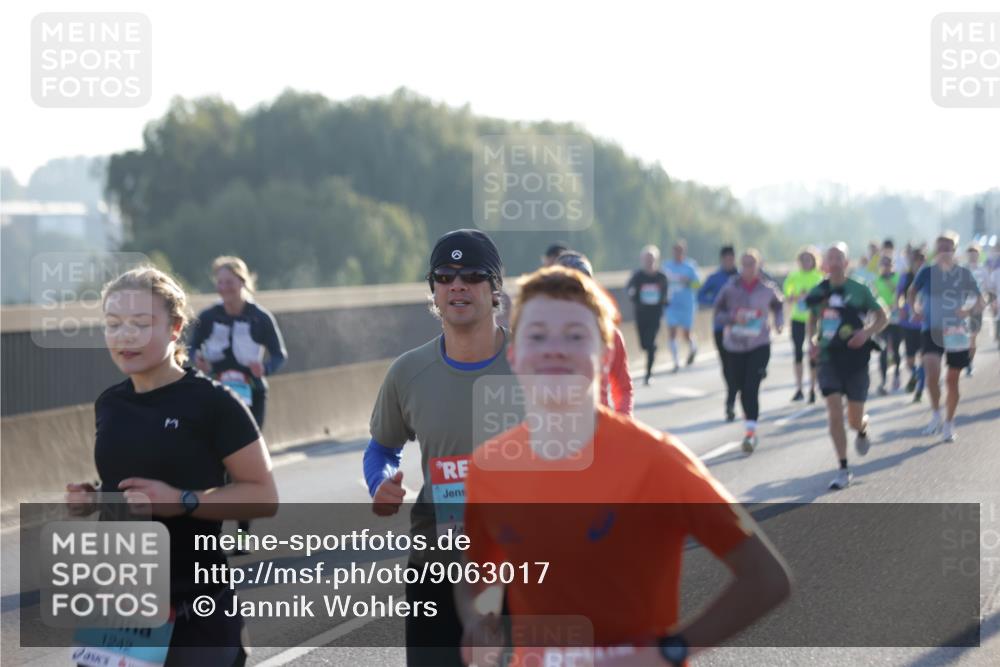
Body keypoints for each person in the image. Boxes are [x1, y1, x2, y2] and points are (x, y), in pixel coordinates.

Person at [458, 266, 791, 667]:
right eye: (537, 335)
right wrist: (480, 618)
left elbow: (767, 578)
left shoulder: (658, 460)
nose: (554, 348)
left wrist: (672, 649)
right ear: (514, 354)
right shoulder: (489, 467)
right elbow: (477, 577)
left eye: (575, 336)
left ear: (607, 354)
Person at [67, 266, 278, 666]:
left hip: (195, 603)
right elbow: (131, 482)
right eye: (113, 324)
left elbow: (264, 496)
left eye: (140, 323)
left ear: (175, 327)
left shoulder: (213, 403)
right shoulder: (110, 404)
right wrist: (95, 498)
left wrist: (182, 501)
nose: (124, 335)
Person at [364, 229, 511, 667]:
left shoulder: (536, 365)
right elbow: (381, 448)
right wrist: (379, 482)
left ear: (495, 287)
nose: (457, 285)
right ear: (433, 289)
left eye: (472, 275)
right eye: (445, 276)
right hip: (438, 559)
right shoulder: (408, 372)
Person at [188, 256, 287, 551]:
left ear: (243, 283)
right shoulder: (208, 317)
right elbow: (192, 346)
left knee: (244, 468)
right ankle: (212, 535)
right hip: (216, 394)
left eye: (229, 283)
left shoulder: (260, 317)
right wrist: (197, 358)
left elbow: (279, 354)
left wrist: (264, 369)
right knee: (214, 464)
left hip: (252, 395)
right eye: (219, 283)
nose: (224, 289)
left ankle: (242, 537)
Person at [807, 243, 888, 490]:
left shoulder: (860, 289)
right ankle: (843, 468)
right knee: (833, 410)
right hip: (829, 357)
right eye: (829, 257)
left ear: (846, 262)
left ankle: (862, 428)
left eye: (838, 257)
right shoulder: (818, 291)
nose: (833, 261)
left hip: (856, 358)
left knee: (853, 419)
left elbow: (883, 316)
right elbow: (812, 318)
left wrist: (866, 333)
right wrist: (811, 341)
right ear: (825, 263)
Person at [907, 232, 985, 443]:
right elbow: (912, 292)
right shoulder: (927, 272)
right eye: (940, 246)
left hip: (956, 332)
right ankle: (935, 414)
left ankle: (949, 423)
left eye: (948, 246)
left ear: (955, 249)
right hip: (931, 329)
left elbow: (980, 301)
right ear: (936, 249)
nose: (944, 250)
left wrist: (967, 312)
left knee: (952, 381)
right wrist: (914, 307)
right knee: (932, 373)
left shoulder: (963, 274)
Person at [713, 250, 784, 453]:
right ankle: (749, 427)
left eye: (752, 264)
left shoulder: (767, 289)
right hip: (734, 345)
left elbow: (779, 306)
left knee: (752, 388)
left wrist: (779, 323)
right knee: (741, 388)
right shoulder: (730, 288)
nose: (748, 268)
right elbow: (717, 314)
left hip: (759, 344)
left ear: (759, 265)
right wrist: (734, 317)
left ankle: (750, 433)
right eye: (744, 264)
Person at [557, 251, 633, 415]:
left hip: (600, 433)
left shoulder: (610, 335)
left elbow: (623, 388)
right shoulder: (536, 338)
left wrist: (623, 424)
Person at [698, 245, 739, 418]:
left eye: (731, 258)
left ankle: (730, 401)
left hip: (740, 329)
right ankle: (732, 393)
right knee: (726, 364)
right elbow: (700, 296)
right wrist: (715, 301)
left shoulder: (741, 276)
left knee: (737, 364)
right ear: (722, 260)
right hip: (720, 328)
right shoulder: (715, 278)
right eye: (726, 259)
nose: (729, 261)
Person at [782, 246, 824, 403]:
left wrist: (811, 297)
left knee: (813, 352)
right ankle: (799, 388)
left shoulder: (818, 277)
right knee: (798, 353)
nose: (806, 262)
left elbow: (823, 296)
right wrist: (793, 296)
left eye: (809, 259)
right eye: (803, 259)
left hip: (813, 319)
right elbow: (787, 294)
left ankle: (813, 387)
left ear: (814, 261)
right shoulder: (794, 276)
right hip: (797, 319)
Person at [627, 245, 669, 386]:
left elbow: (666, 293)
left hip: (655, 314)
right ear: (642, 260)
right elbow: (630, 290)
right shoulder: (637, 276)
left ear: (656, 260)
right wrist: (633, 294)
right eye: (646, 259)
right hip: (641, 314)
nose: (649, 261)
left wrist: (664, 300)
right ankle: (651, 348)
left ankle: (648, 374)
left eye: (651, 259)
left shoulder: (661, 277)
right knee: (644, 345)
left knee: (650, 343)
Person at [662, 240, 701, 372]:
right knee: (672, 332)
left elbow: (698, 285)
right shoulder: (666, 266)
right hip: (672, 304)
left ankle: (693, 347)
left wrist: (688, 282)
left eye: (680, 251)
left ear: (684, 252)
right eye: (675, 251)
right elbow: (661, 283)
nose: (677, 253)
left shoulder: (690, 267)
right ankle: (676, 361)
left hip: (687, 305)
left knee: (686, 334)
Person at [897, 247, 927, 399]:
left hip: (925, 325)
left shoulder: (929, 277)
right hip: (908, 324)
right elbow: (899, 296)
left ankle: (919, 390)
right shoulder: (905, 277)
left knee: (924, 357)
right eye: (917, 260)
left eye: (922, 260)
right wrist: (901, 307)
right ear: (912, 262)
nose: (919, 263)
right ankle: (915, 375)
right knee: (909, 361)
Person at [873, 256, 902, 394]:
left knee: (895, 348)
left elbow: (900, 294)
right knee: (883, 349)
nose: (885, 266)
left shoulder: (898, 278)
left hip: (896, 317)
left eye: (888, 264)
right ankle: (883, 381)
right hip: (882, 318)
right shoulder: (877, 280)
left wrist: (890, 283)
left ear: (892, 265)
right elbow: (875, 297)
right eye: (883, 264)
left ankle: (896, 374)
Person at [965, 244, 988, 376]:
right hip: (962, 308)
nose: (973, 257)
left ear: (978, 255)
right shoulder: (961, 269)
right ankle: (962, 361)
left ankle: (969, 363)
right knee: (962, 336)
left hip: (977, 308)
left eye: (975, 254)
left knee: (972, 337)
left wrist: (984, 302)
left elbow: (987, 288)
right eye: (970, 254)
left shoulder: (983, 270)